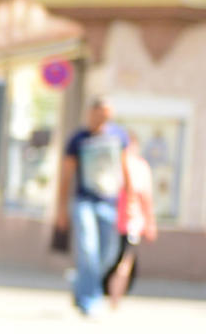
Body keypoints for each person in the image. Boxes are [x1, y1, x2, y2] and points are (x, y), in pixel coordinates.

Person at [54, 97, 130, 317]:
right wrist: (61, 209)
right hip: (84, 201)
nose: (104, 117)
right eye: (100, 112)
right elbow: (66, 176)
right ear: (91, 113)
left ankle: (80, 281)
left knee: (107, 254)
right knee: (88, 249)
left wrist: (130, 201)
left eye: (108, 113)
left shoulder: (118, 136)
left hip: (110, 202)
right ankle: (89, 300)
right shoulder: (78, 139)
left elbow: (125, 170)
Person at [103, 135, 157, 307]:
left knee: (119, 259)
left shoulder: (118, 165)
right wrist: (150, 222)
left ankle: (111, 295)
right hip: (128, 222)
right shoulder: (136, 166)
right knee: (124, 262)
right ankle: (114, 298)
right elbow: (145, 197)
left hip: (121, 221)